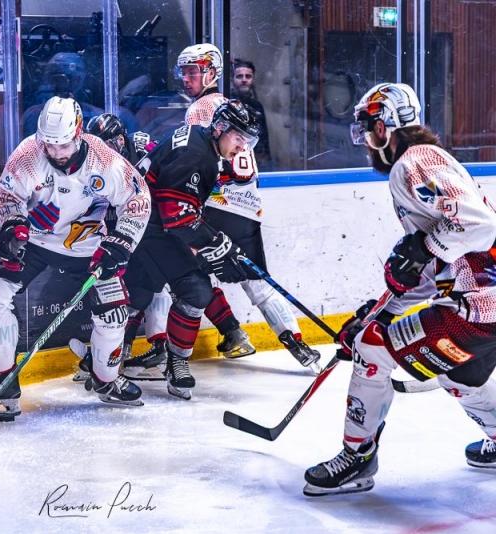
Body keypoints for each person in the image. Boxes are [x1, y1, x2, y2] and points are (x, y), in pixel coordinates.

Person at [303, 82, 496, 497]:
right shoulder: (416, 165)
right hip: (482, 305)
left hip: (479, 305)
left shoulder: (415, 161)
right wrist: (381, 311)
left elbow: (479, 225)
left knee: (373, 347)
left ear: (385, 125)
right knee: (457, 372)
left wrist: (421, 248)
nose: (366, 141)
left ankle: (357, 458)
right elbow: (428, 269)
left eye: (368, 128)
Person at [0, 96, 152, 418]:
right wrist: (12, 225)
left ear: (78, 135)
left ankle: (106, 381)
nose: (56, 153)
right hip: (35, 242)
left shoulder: (105, 161)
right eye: (49, 146)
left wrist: (121, 244)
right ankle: (2, 383)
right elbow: (8, 195)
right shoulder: (27, 154)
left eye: (62, 146)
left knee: (114, 313)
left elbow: (137, 198)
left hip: (88, 246)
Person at [177, 45, 321, 371]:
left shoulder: (201, 109)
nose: (186, 78)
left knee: (181, 271)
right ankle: (297, 344)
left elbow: (200, 163)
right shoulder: (233, 105)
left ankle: (170, 348)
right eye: (183, 71)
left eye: (193, 71)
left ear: (211, 73)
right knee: (258, 284)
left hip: (216, 206)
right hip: (248, 208)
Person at [120, 102, 259, 400]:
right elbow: (177, 217)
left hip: (138, 222)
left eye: (247, 142)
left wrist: (212, 241)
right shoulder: (197, 155)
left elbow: (183, 210)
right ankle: (176, 362)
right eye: (239, 139)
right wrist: (216, 243)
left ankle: (106, 360)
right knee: (195, 290)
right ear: (220, 128)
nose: (242, 148)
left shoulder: (199, 139)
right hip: (148, 227)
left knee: (140, 291)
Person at [73, 113, 173, 381]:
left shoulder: (144, 148)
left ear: (119, 139)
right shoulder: (90, 159)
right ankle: (116, 353)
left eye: (106, 144)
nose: (99, 152)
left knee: (155, 286)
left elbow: (172, 175)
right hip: (119, 232)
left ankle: (161, 350)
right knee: (125, 292)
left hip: (152, 228)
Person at [229, 59, 272, 170]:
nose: (244, 80)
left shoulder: (257, 105)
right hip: (232, 161)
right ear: (232, 79)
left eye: (248, 76)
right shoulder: (226, 103)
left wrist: (266, 163)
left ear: (253, 79)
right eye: (239, 76)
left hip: (257, 162)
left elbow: (264, 139)